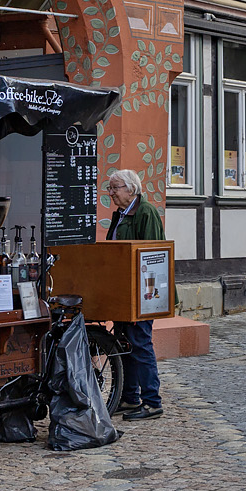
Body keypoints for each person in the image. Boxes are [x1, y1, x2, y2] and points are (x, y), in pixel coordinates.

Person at [106, 168, 165, 420]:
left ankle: (152, 401)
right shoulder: (120, 215)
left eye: (115, 188)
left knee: (140, 343)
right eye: (109, 188)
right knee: (124, 344)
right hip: (122, 290)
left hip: (141, 293)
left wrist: (147, 295)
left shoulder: (145, 212)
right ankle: (129, 398)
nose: (111, 193)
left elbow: (152, 255)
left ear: (131, 189)